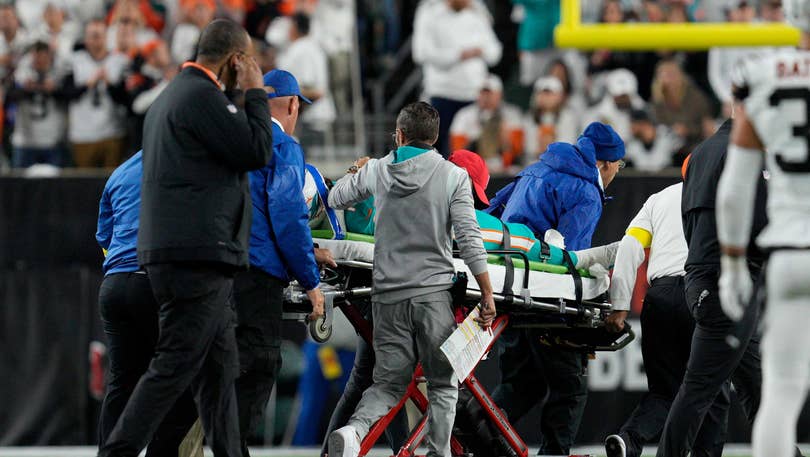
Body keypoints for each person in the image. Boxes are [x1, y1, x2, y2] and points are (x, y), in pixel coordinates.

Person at [98, 19, 275, 457]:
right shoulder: (199, 94)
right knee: (171, 369)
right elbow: (256, 150)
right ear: (236, 60)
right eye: (248, 61)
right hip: (196, 259)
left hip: (182, 256)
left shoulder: (173, 97)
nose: (251, 68)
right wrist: (254, 93)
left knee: (218, 376)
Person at [326, 101, 496, 457]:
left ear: (399, 135)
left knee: (387, 384)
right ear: (435, 138)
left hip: (386, 296)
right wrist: (487, 293)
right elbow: (468, 237)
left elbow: (336, 196)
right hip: (433, 297)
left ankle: (355, 431)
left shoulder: (377, 170)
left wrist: (355, 171)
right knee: (443, 384)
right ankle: (438, 453)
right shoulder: (454, 177)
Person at [486, 122, 625, 456]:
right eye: (618, 167)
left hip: (511, 291)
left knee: (521, 385)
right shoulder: (585, 192)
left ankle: (472, 440)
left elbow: (492, 212)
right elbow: (569, 259)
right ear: (605, 164)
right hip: (548, 302)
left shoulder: (535, 170)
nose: (617, 173)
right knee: (569, 388)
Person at [716, 2, 810, 456]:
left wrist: (732, 262)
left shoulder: (763, 73)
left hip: (791, 250)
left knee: (782, 393)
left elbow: (735, 187)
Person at [655, 114, 768, 456]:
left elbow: (688, 220)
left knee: (756, 386)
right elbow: (761, 229)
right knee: (698, 388)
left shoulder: (700, 153)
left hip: (701, 277)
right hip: (730, 286)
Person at [233, 69, 329, 456]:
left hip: (214, 269)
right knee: (256, 366)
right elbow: (288, 215)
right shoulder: (283, 146)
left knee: (209, 368)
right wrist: (310, 280)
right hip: (257, 275)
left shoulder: (228, 139)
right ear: (292, 105)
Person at [603, 182, 725, 457]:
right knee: (713, 391)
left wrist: (620, 305)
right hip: (703, 291)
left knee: (664, 391)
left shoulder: (660, 198)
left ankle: (629, 440)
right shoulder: (723, 189)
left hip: (659, 296)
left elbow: (629, 247)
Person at [95, 150, 199, 457]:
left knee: (122, 384)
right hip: (157, 281)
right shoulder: (188, 166)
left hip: (114, 286)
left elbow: (104, 236)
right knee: (187, 380)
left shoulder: (121, 171)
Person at [412, 0, 502, 157]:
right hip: (443, 95)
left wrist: (479, 51)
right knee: (438, 154)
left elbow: (494, 53)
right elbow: (420, 53)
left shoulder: (477, 9)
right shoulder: (429, 12)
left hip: (474, 96)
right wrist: (458, 55)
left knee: (475, 155)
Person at [64, 19, 129, 168]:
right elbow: (66, 94)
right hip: (83, 133)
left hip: (113, 131)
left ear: (106, 37)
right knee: (84, 183)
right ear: (86, 38)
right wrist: (88, 84)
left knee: (111, 181)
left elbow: (126, 100)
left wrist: (109, 84)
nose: (96, 40)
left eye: (99, 35)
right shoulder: (75, 61)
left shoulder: (119, 61)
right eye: (93, 36)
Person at [8, 41, 68, 168]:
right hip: (25, 141)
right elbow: (9, 96)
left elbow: (71, 94)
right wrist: (26, 90)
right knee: (20, 186)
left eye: (43, 58)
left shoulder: (60, 72)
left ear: (49, 57)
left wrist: (54, 90)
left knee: (56, 186)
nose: (39, 62)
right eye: (36, 58)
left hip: (53, 140)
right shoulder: (21, 73)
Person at [448, 74, 523, 172]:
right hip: (473, 165)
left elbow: (517, 149)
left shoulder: (512, 114)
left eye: (489, 93)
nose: (485, 97)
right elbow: (457, 150)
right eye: (482, 93)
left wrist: (504, 141)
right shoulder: (464, 115)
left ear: (499, 94)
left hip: (504, 165)